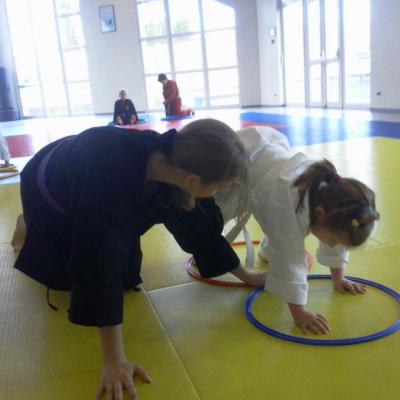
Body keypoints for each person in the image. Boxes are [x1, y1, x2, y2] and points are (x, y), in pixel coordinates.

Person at [11, 118, 266, 400]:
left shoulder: (174, 161)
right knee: (70, 278)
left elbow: (199, 230)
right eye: (219, 188)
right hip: (50, 184)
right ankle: (27, 223)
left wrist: (245, 275)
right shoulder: (110, 180)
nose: (217, 194)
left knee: (128, 274)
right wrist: (113, 360)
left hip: (89, 166)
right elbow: (99, 260)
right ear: (192, 180)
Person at [215, 126, 380, 335]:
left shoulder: (335, 199)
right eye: (331, 240)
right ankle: (208, 243)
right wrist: (299, 312)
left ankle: (267, 248)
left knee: (283, 225)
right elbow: (289, 257)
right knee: (214, 218)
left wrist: (338, 278)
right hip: (236, 161)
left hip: (270, 164)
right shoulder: (287, 201)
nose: (332, 244)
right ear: (319, 213)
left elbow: (338, 237)